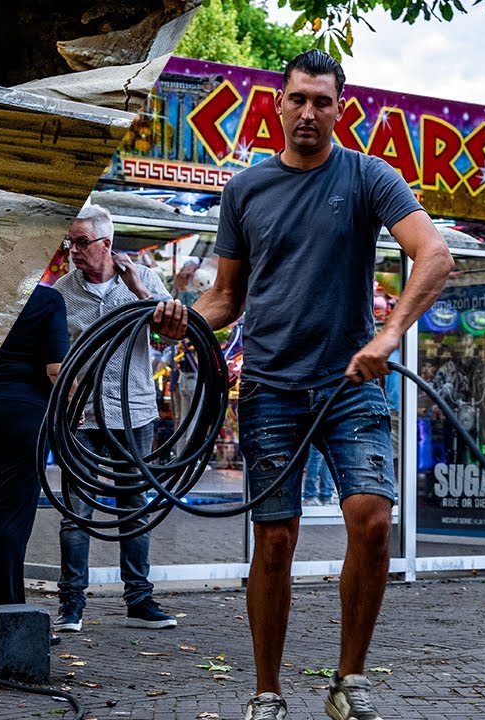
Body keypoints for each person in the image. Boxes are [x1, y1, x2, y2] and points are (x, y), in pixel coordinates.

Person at [191, 50, 453, 720]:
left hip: (350, 382)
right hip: (271, 387)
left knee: (372, 522)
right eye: (298, 99)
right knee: (275, 538)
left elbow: (434, 254)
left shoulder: (367, 176)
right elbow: (226, 298)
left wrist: (387, 336)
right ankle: (267, 693)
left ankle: (348, 682)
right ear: (277, 104)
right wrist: (179, 319)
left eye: (322, 101)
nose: (308, 112)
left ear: (341, 109)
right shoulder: (246, 190)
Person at [51, 203, 186, 633]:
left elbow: (170, 333)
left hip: (135, 413)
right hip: (82, 416)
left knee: (133, 507)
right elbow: (52, 353)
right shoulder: (61, 292)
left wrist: (138, 289)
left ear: (106, 243)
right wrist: (64, 389)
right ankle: (71, 604)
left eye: (81, 242)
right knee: (76, 511)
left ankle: (139, 601)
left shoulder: (144, 279)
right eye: (69, 243)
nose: (73, 250)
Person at [0, 284, 69, 642]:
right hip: (24, 414)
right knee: (10, 517)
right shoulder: (47, 299)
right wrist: (71, 405)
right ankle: (7, 619)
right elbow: (56, 369)